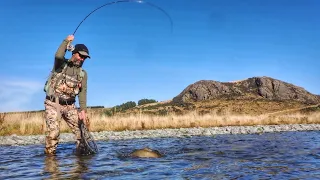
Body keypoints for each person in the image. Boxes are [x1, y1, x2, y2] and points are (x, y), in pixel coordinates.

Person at [43, 35, 90, 155]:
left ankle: (81, 163)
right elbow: (58, 55)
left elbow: (82, 92)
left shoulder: (83, 74)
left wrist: (83, 110)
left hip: (70, 106)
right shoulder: (61, 64)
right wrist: (66, 41)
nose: (82, 59)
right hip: (53, 104)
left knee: (82, 132)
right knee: (54, 134)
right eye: (81, 55)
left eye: (85, 57)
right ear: (74, 53)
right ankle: (50, 160)